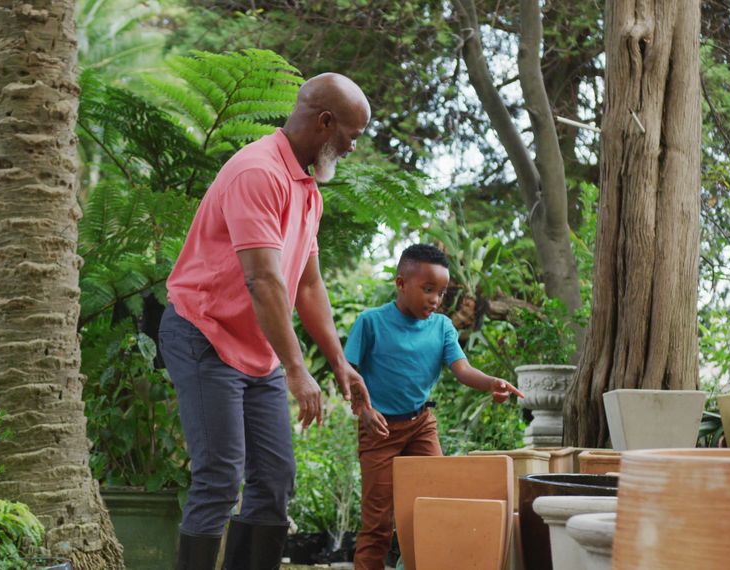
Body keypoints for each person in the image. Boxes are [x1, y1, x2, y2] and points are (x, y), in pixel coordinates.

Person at [158, 73, 386, 570]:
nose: (352, 147)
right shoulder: (258, 172)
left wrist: (339, 364)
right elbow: (263, 281)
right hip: (204, 334)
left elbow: (307, 285)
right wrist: (297, 369)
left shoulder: (307, 188)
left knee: (275, 480)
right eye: (352, 134)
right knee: (220, 475)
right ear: (325, 122)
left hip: (256, 347)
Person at [343, 244, 526, 570]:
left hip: (420, 426)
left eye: (440, 292)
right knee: (378, 521)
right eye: (428, 290)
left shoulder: (441, 327)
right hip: (379, 430)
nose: (435, 300)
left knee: (434, 506)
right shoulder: (370, 323)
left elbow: (463, 370)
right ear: (401, 283)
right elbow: (347, 372)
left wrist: (491, 382)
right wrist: (363, 411)